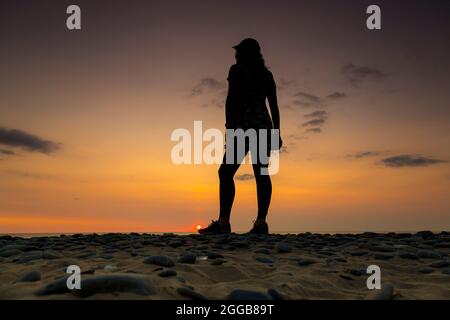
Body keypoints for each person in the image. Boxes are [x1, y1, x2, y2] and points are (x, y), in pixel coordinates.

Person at [199, 38, 282, 235]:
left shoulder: (236, 71)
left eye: (239, 52)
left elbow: (231, 99)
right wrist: (276, 132)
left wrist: (229, 127)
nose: (236, 55)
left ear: (246, 54)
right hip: (262, 125)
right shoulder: (266, 75)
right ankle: (261, 222)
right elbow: (274, 107)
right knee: (260, 172)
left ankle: (224, 222)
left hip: (244, 125)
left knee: (226, 172)